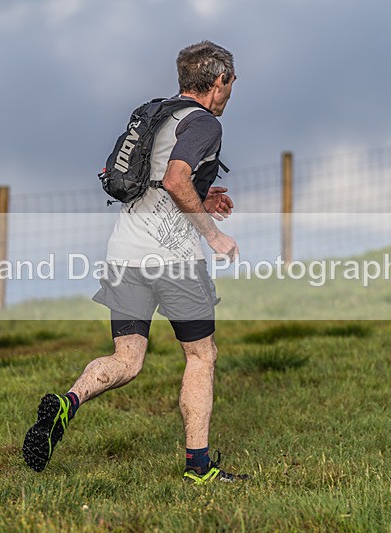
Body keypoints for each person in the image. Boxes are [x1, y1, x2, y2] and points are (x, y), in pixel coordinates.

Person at [23, 40, 247, 484]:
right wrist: (213, 233)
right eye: (232, 83)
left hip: (125, 254)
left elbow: (156, 183)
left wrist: (202, 199)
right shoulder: (204, 123)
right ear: (220, 80)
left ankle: (68, 402)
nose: (231, 92)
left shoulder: (157, 115)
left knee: (126, 359)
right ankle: (199, 467)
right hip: (175, 261)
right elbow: (176, 179)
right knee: (201, 355)